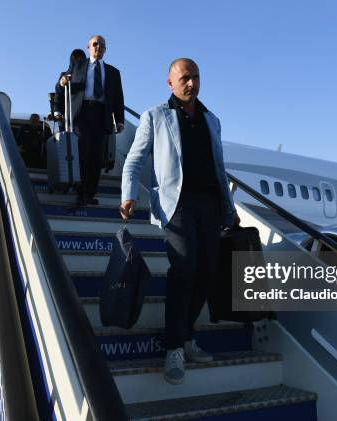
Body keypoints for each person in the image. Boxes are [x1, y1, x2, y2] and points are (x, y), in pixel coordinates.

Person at [120, 58, 240, 385]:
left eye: (196, 77)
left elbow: (219, 167)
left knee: (208, 273)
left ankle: (187, 337)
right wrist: (129, 194)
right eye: (185, 78)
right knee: (184, 270)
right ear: (170, 82)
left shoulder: (211, 119)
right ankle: (174, 347)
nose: (192, 83)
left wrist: (229, 207)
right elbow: (133, 161)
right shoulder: (155, 116)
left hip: (211, 203)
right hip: (178, 205)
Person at [61, 35, 125, 206]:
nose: (98, 47)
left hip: (101, 114)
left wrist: (119, 120)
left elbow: (118, 98)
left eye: (102, 45)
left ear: (105, 49)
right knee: (82, 152)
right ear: (88, 47)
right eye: (95, 44)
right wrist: (61, 82)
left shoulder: (113, 72)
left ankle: (90, 193)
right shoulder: (77, 65)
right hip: (81, 113)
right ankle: (80, 192)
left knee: (96, 156)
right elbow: (62, 82)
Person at [53, 49, 87, 131]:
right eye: (76, 59)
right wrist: (57, 111)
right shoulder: (65, 75)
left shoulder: (87, 75)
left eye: (81, 59)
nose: (79, 61)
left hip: (84, 113)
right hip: (68, 115)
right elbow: (58, 93)